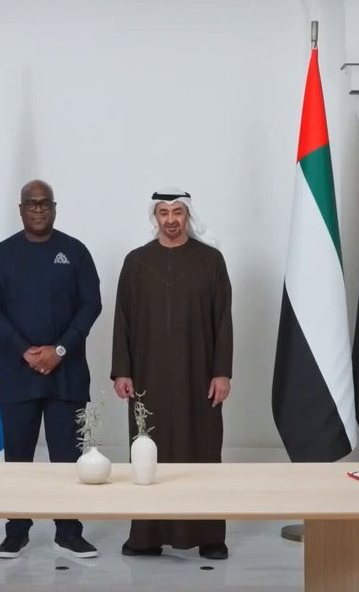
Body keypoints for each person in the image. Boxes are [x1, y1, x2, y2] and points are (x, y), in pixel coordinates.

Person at [0, 179, 102, 559]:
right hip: (18, 373)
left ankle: (69, 532)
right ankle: (16, 531)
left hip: (67, 373)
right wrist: (24, 350)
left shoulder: (74, 251)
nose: (38, 209)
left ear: (54, 208)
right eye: (31, 204)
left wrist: (60, 349)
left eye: (44, 203)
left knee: (67, 458)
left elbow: (91, 304)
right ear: (21, 210)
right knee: (18, 458)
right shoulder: (2, 254)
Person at [111, 189, 233, 560]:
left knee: (203, 452)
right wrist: (121, 371)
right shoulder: (136, 262)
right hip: (147, 379)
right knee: (148, 454)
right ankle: (146, 537)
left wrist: (222, 373)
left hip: (199, 379)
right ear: (155, 217)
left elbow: (223, 321)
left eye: (177, 211)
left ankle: (209, 537)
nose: (170, 219)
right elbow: (122, 320)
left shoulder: (210, 261)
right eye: (163, 212)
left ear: (187, 215)